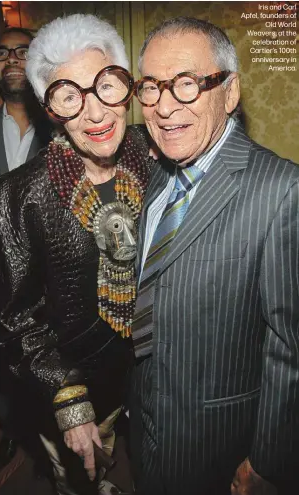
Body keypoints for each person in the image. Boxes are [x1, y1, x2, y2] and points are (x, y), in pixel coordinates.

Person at [130, 16, 299, 495]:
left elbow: (291, 347)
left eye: (186, 85)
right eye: (150, 88)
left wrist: (270, 461)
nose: (163, 108)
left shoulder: (283, 190)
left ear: (229, 93)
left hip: (220, 449)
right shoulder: (160, 173)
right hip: (144, 429)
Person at [0, 14, 152, 495]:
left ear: (125, 86)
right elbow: (17, 320)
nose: (95, 113)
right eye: (69, 95)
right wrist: (69, 400)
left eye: (105, 87)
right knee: (77, 478)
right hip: (69, 384)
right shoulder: (20, 195)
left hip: (142, 374)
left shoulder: (149, 157)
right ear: (49, 107)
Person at [0, 26, 52, 470]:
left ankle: (48, 440)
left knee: (45, 356)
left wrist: (4, 193)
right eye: (2, 53)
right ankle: (16, 433)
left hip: (49, 277)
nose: (12, 59)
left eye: (22, 51)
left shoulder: (63, 127)